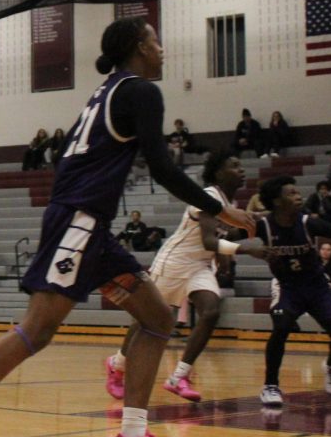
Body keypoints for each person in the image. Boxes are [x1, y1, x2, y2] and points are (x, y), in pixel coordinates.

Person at [0, 17, 254, 437]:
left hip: (91, 225)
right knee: (38, 329)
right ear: (138, 46)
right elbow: (162, 167)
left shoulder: (106, 91)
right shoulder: (140, 91)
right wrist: (220, 208)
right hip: (79, 222)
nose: (162, 50)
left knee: (157, 318)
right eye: (155, 41)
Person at [104, 152, 268, 402]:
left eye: (241, 166)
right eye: (234, 165)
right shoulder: (209, 197)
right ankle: (117, 366)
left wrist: (236, 244)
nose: (241, 169)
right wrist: (247, 247)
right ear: (218, 173)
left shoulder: (229, 202)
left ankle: (179, 376)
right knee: (147, 320)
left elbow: (219, 237)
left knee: (211, 311)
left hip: (199, 266)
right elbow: (209, 240)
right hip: (174, 263)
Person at [254, 175, 331, 407]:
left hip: (317, 288)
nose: (298, 196)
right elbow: (231, 239)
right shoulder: (262, 224)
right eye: (291, 193)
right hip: (287, 288)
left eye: (297, 192)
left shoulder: (308, 222)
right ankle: (270, 385)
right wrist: (250, 248)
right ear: (276, 201)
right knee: (281, 327)